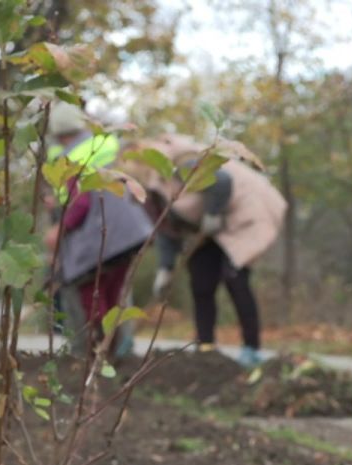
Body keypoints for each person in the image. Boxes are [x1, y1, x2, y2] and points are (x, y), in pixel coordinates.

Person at [137, 135, 286, 366]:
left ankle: (251, 348)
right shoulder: (151, 190)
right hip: (205, 230)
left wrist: (213, 214)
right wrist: (165, 268)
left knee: (235, 279)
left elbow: (221, 180)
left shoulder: (178, 163)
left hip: (244, 217)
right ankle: (206, 348)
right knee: (201, 283)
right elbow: (166, 227)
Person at [44, 103, 154, 354]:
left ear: (58, 134)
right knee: (114, 294)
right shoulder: (104, 146)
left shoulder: (70, 158)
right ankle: (116, 350)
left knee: (89, 292)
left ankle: (98, 351)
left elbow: (81, 202)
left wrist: (59, 229)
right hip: (130, 233)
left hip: (100, 237)